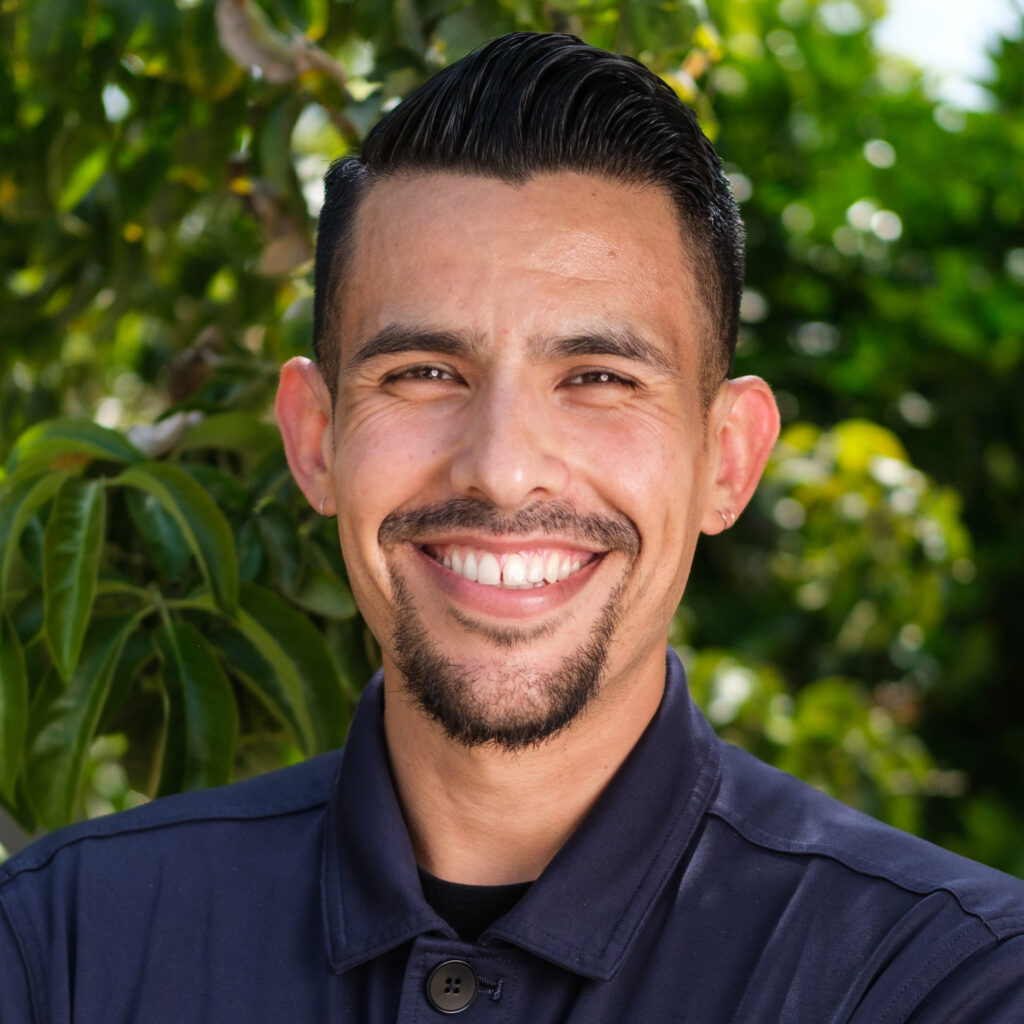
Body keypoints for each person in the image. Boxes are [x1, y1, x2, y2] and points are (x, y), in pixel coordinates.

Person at [2, 32, 1022, 1023]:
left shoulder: (947, 982)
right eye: (425, 373)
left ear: (727, 459)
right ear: (315, 441)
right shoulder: (59, 947)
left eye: (598, 378)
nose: (500, 470)